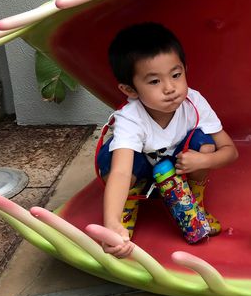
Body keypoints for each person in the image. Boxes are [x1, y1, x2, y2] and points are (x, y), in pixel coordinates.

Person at [97, 22, 238, 258]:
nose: (170, 88)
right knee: (118, 166)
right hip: (140, 164)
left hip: (176, 165)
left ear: (185, 69)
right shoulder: (130, 119)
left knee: (205, 144)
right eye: (154, 81)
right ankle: (127, 206)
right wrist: (110, 223)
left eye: (176, 75)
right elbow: (121, 172)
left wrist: (203, 161)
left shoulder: (194, 102)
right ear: (130, 90)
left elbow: (230, 151)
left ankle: (193, 205)